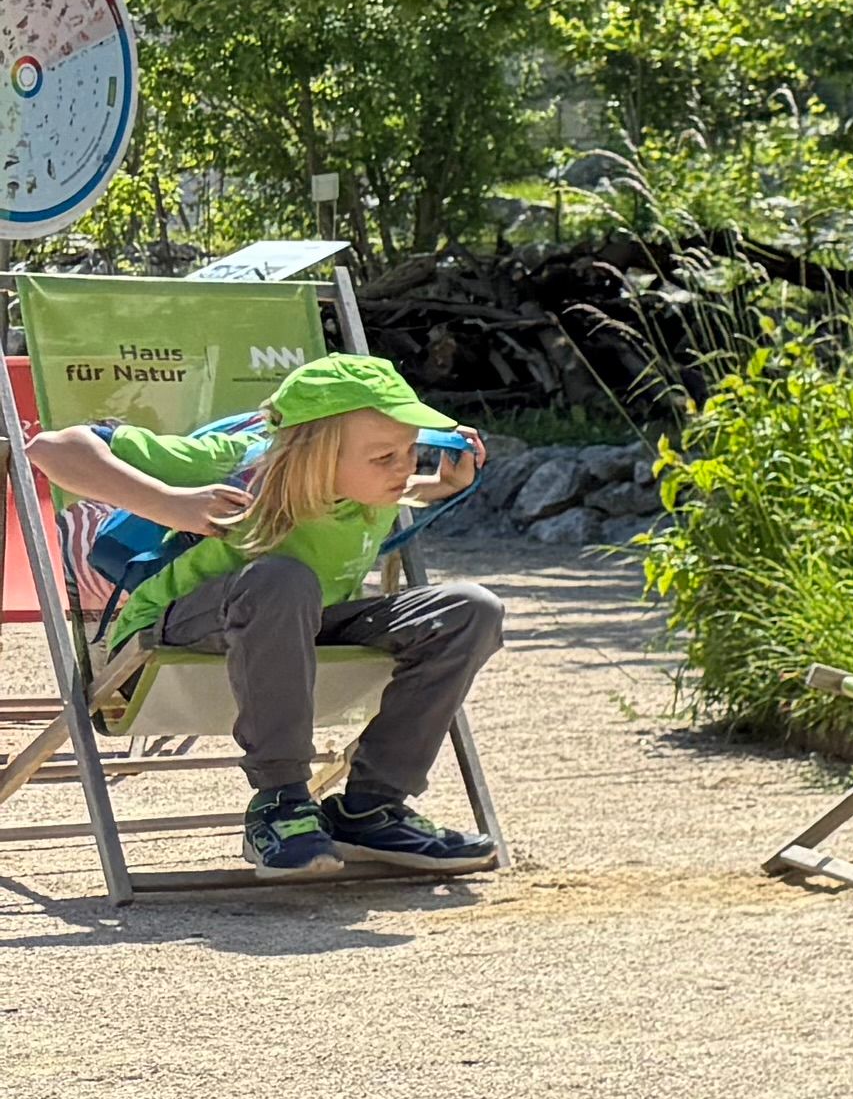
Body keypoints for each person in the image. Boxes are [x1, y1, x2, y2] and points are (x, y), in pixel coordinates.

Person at [27, 355, 503, 875]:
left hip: (298, 631)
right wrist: (170, 504)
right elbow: (51, 448)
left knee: (469, 609)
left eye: (412, 450)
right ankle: (280, 803)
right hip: (166, 643)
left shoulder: (374, 484)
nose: (405, 468)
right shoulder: (238, 461)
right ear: (315, 455)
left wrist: (442, 483)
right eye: (385, 456)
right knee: (283, 579)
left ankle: (370, 809)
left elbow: (372, 480)